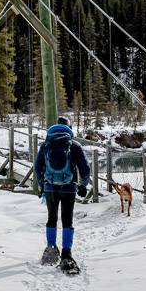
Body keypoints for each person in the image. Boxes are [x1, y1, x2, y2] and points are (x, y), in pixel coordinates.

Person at [34, 116, 90, 273]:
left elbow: (37, 168)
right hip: (69, 188)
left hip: (50, 187)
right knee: (67, 219)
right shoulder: (74, 145)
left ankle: (51, 248)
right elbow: (85, 169)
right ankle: (66, 253)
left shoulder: (46, 144)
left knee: (51, 217)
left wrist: (41, 186)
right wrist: (83, 185)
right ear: (69, 128)